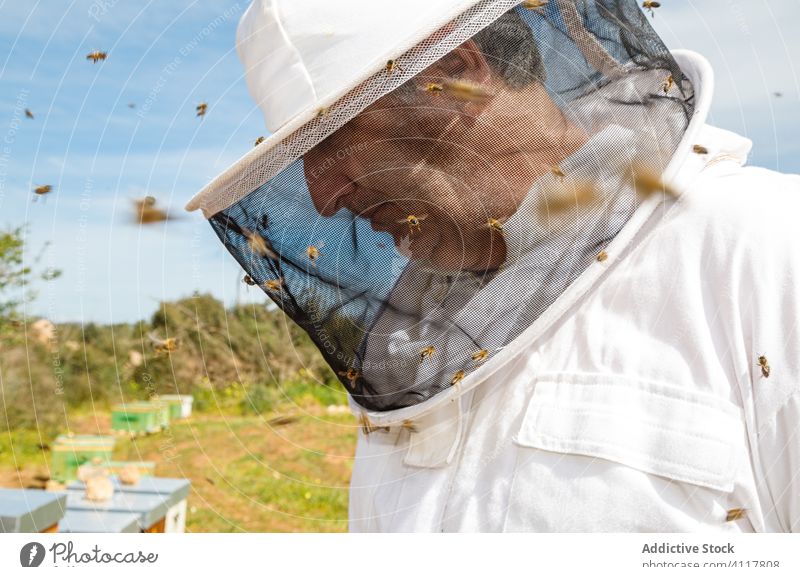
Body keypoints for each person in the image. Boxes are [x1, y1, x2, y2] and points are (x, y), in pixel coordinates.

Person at [187, 0, 800, 532]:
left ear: (456, 73)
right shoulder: (407, 344)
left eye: (329, 143)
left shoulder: (765, 247)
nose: (323, 196)